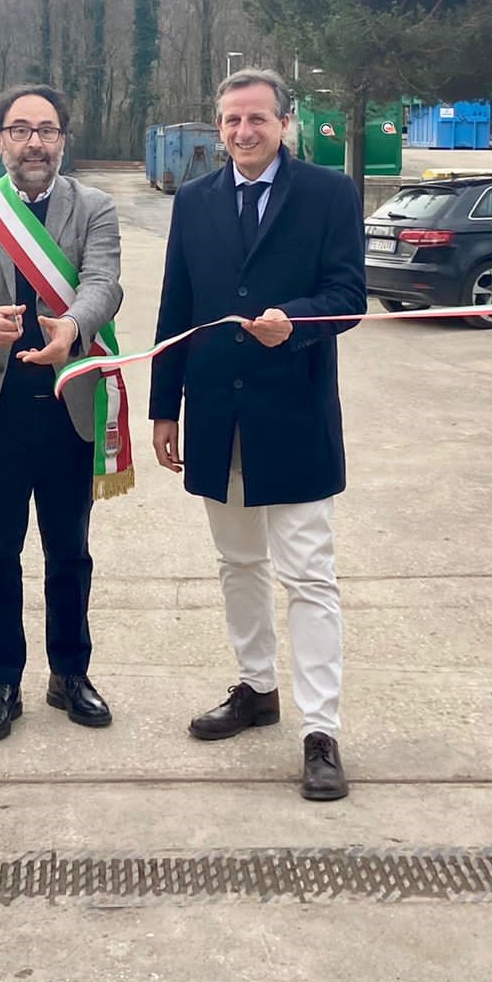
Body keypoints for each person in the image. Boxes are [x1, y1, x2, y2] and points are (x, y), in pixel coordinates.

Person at [149, 67, 366, 800]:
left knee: (308, 575)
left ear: (285, 123)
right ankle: (255, 689)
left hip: (295, 416)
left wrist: (294, 321)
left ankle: (320, 730)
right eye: (232, 120)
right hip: (216, 414)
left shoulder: (329, 194)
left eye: (258, 119)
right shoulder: (197, 201)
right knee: (238, 563)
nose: (245, 132)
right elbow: (176, 306)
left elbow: (348, 296)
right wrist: (163, 407)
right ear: (219, 128)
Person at [0, 84, 126, 743]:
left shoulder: (94, 208)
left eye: (46, 129)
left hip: (68, 405)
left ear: (63, 139)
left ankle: (70, 674)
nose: (34, 142)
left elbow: (105, 284)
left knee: (70, 553)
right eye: (20, 129)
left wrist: (72, 326)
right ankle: (2, 681)